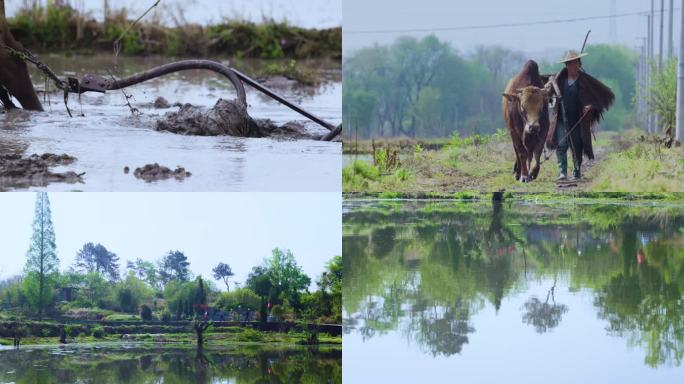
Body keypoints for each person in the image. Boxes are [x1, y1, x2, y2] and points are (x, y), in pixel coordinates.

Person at [546, 50, 614, 180]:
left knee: (577, 145)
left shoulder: (586, 81)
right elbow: (548, 93)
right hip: (561, 118)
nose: (573, 66)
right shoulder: (558, 79)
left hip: (578, 119)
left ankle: (577, 171)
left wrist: (591, 107)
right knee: (561, 144)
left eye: (575, 63)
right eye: (570, 63)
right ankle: (562, 171)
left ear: (579, 64)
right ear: (566, 65)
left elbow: (600, 97)